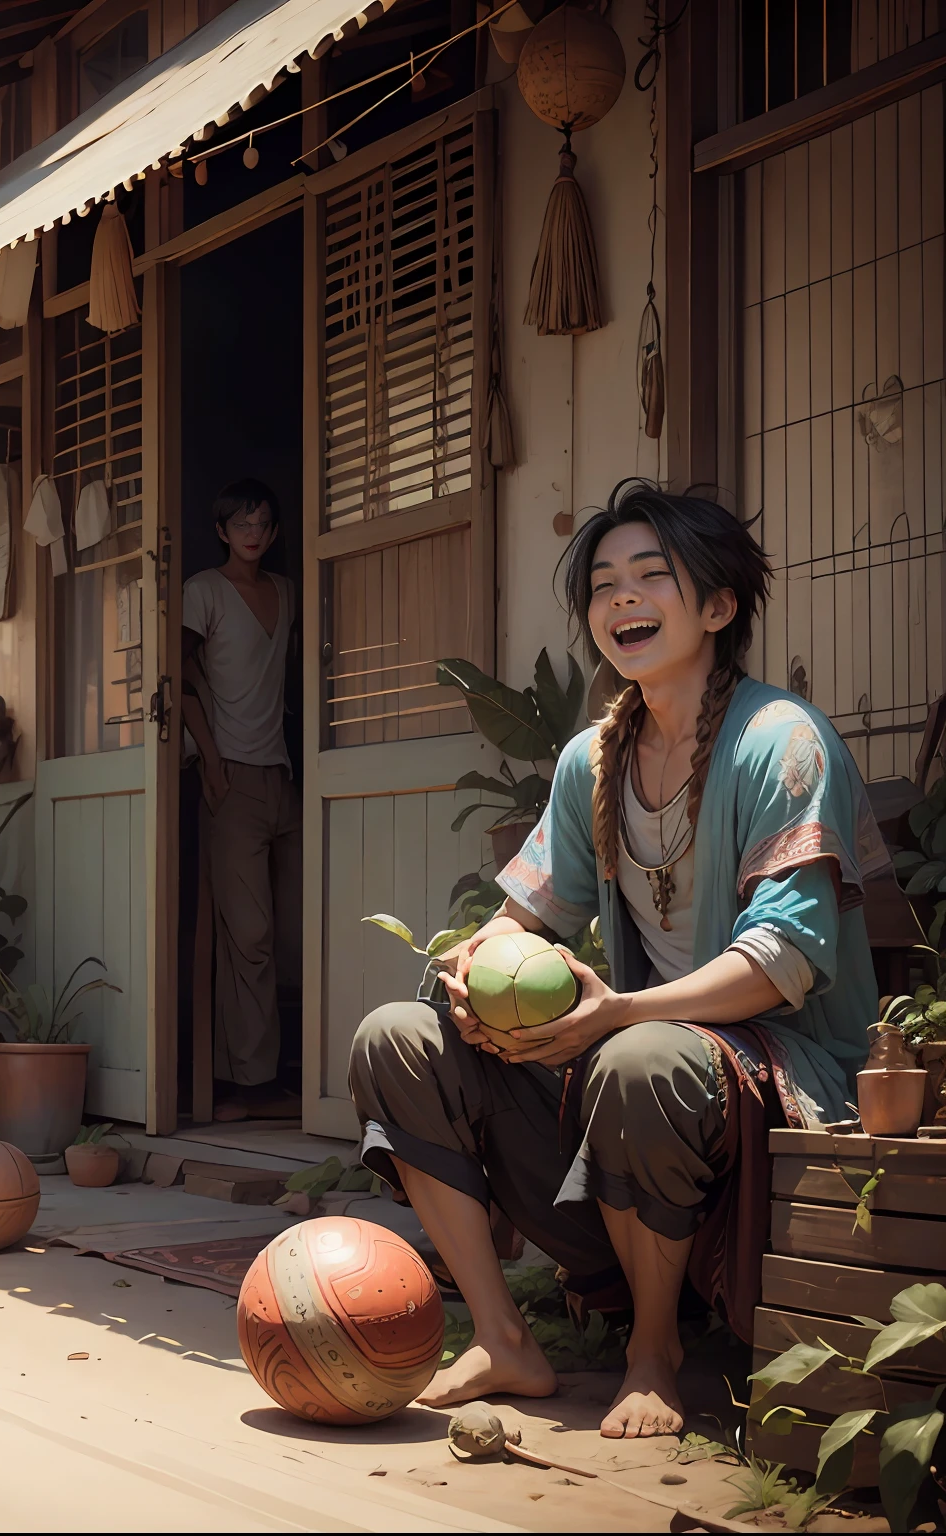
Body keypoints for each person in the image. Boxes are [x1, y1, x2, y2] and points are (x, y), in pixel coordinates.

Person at [350, 481, 887, 1438]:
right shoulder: (590, 760)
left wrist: (617, 1016)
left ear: (718, 607)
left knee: (639, 1057)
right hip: (642, 1074)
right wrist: (477, 969)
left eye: (651, 575)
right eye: (603, 583)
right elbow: (523, 914)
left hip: (786, 1076)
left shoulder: (783, 742)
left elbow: (784, 962)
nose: (621, 599)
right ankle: (504, 1337)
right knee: (398, 1038)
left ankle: (653, 1350)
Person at [181, 478, 300, 1121]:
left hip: (284, 773)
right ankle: (248, 1084)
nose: (253, 531)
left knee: (294, 930)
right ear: (222, 531)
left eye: (263, 521)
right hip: (232, 780)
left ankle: (284, 1077)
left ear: (275, 532)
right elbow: (178, 682)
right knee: (246, 933)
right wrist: (214, 766)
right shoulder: (202, 591)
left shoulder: (288, 591)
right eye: (240, 522)